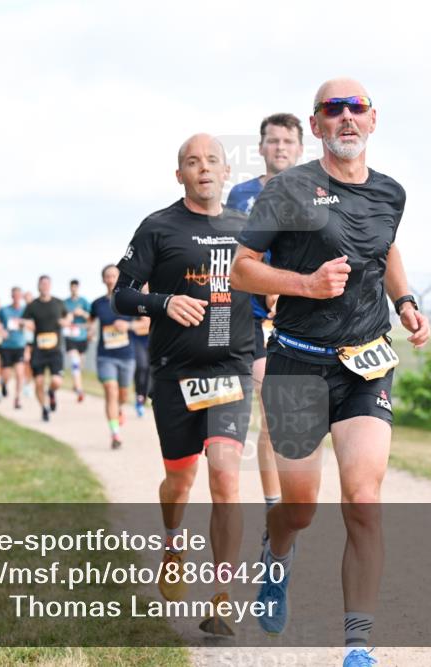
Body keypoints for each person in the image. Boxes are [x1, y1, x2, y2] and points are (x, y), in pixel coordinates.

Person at [229, 78, 431, 666]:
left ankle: (358, 646)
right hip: (296, 362)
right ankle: (278, 551)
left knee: (364, 500)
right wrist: (305, 285)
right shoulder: (289, 188)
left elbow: (386, 249)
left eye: (356, 108)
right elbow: (242, 270)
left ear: (373, 120)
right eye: (332, 109)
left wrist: (406, 302)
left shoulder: (391, 192)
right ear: (315, 126)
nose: (346, 117)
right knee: (300, 508)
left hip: (366, 363)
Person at [113, 133, 254, 637]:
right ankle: (173, 541)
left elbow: (269, 285)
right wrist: (164, 302)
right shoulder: (158, 227)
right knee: (180, 482)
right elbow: (122, 295)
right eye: (192, 162)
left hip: (230, 370)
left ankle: (222, 597)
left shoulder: (247, 229)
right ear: (180, 175)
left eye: (212, 160)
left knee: (226, 476)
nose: (204, 168)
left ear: (226, 171)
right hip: (175, 374)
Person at [227, 112, 305, 514]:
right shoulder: (240, 195)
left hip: (300, 314)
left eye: (287, 142)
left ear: (300, 148)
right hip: (252, 316)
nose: (280, 148)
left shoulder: (314, 192)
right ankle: (275, 507)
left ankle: (293, 499)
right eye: (272, 141)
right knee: (271, 410)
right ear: (260, 148)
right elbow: (229, 256)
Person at [90, 265, 139, 448]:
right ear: (103, 280)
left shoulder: (130, 301)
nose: (111, 279)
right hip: (105, 356)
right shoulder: (97, 304)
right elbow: (90, 322)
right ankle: (115, 434)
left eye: (114, 276)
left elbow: (145, 324)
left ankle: (119, 409)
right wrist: (88, 332)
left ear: (119, 278)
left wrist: (129, 327)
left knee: (123, 394)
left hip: (127, 355)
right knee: (111, 390)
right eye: (107, 276)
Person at [21, 276, 70, 422]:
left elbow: (68, 317)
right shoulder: (32, 305)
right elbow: (23, 320)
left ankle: (52, 393)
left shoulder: (58, 303)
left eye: (47, 284)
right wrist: (25, 324)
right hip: (39, 350)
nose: (44, 286)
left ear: (50, 286)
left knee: (56, 381)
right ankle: (44, 408)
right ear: (38, 286)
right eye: (42, 284)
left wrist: (66, 322)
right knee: (39, 383)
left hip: (55, 350)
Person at [0, 287, 28, 410]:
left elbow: (32, 324)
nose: (16, 297)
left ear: (21, 297)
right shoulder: (4, 310)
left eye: (18, 295)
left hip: (20, 345)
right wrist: (0, 331)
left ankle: (17, 399)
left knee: (20, 374)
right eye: (14, 295)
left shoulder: (25, 311)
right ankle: (3, 383)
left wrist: (24, 323)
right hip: (6, 346)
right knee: (7, 374)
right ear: (11, 296)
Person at [63, 279, 91, 403]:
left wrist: (82, 313)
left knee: (80, 364)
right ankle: (79, 389)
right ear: (70, 288)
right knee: (74, 361)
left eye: (75, 287)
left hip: (82, 336)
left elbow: (91, 318)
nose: (74, 289)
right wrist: (69, 317)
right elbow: (62, 318)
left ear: (78, 288)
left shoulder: (84, 301)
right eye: (72, 287)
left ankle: (76, 383)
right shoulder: (65, 303)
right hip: (70, 335)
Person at [131, 284, 152, 417]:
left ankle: (144, 397)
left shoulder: (157, 297)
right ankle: (139, 397)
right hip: (138, 340)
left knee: (150, 370)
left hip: (153, 340)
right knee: (141, 367)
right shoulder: (133, 299)